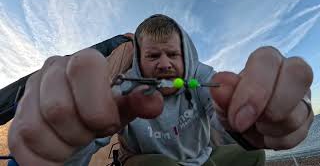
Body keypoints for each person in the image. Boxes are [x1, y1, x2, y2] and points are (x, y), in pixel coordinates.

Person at [8, 14, 314, 166]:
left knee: (256, 155)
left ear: (187, 58)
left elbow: (222, 124)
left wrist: (252, 119)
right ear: (139, 64)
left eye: (173, 55)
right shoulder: (124, 91)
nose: (165, 64)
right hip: (150, 163)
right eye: (153, 56)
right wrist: (62, 146)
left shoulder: (202, 77)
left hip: (202, 159)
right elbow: (84, 145)